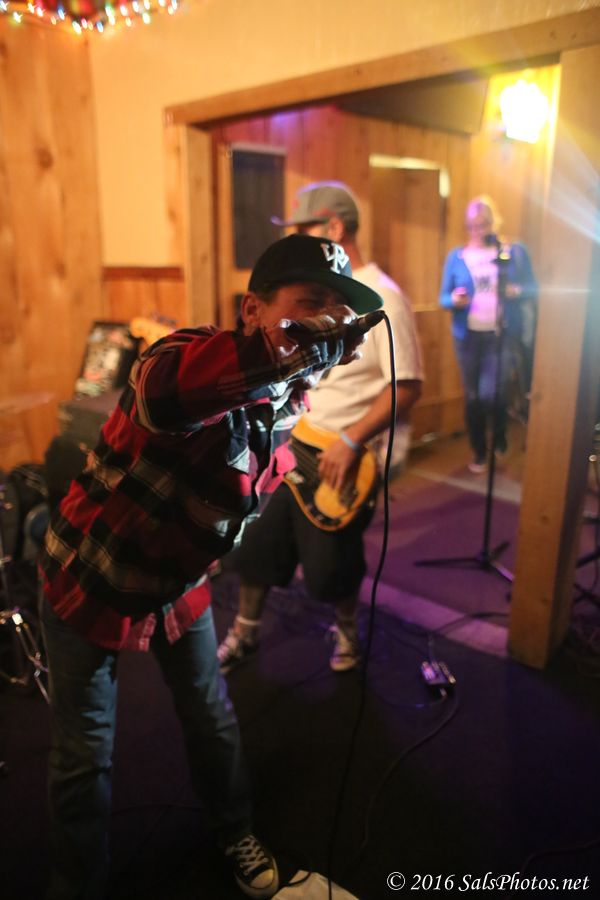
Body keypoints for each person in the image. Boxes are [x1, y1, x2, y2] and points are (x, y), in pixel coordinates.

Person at [38, 233, 383, 900]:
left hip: (176, 583)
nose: (327, 322)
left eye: (336, 310)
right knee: (84, 756)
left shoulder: (291, 406)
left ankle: (235, 832)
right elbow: (169, 392)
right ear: (252, 310)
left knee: (211, 718)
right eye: (310, 302)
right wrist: (296, 352)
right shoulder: (178, 358)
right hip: (91, 575)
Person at [217, 181, 423, 675]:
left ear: (334, 228)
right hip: (288, 446)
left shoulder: (384, 299)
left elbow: (408, 385)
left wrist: (352, 440)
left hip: (338, 455)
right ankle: (245, 631)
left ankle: (348, 634)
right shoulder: (308, 298)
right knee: (257, 547)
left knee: (334, 566)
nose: (295, 240)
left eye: (305, 230)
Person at [439, 195, 538, 474]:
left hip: (500, 334)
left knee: (492, 393)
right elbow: (443, 297)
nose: (478, 230)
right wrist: (455, 299)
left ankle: (500, 436)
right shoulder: (457, 257)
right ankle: (479, 450)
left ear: (494, 222)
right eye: (472, 225)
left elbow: (533, 287)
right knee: (472, 396)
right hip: (467, 337)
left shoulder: (512, 251)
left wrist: (516, 291)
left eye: (483, 224)